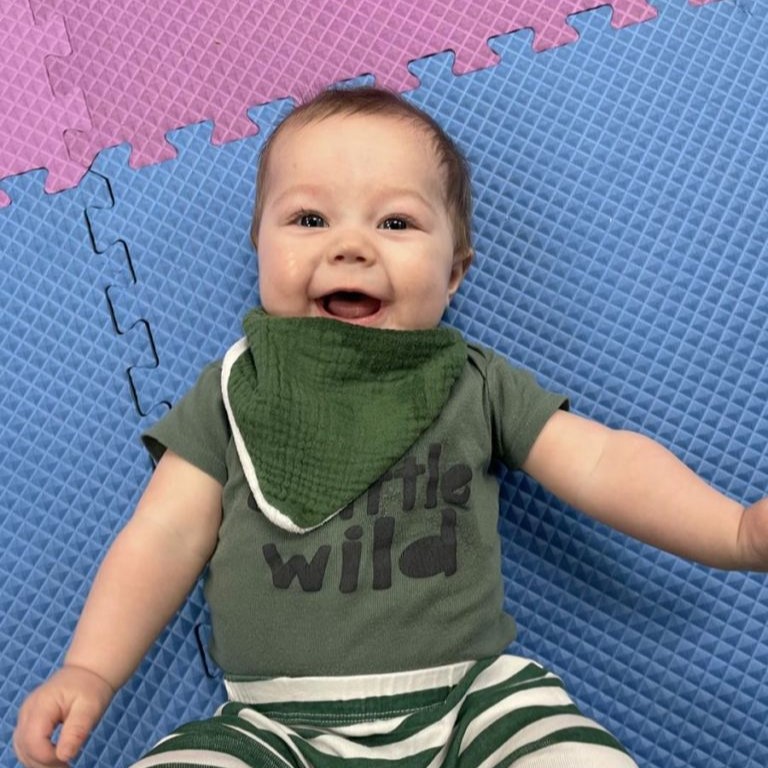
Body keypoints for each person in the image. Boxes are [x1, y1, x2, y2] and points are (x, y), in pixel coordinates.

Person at [13, 86, 768, 768]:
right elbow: (164, 535)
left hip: (477, 705)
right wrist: (91, 667)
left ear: (455, 273)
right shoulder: (234, 390)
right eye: (309, 218)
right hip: (272, 729)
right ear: (259, 249)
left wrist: (732, 531)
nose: (350, 245)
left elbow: (602, 463)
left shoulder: (475, 381)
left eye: (397, 221)